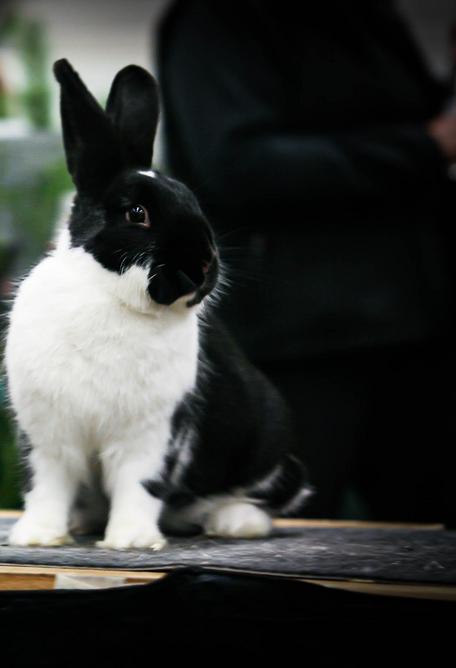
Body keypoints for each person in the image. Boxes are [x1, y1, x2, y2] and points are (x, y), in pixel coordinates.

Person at [156, 0, 456, 523]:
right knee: (291, 535)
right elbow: (238, 165)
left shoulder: (371, 16)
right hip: (299, 346)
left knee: (426, 537)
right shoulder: (217, 21)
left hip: (416, 328)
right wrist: (424, 146)